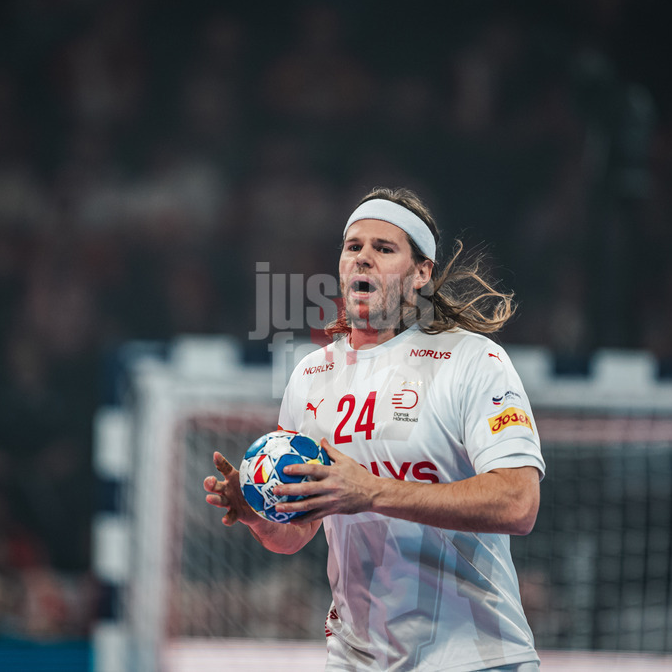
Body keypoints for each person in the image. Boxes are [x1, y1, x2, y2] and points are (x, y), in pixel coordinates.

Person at [204, 187, 545, 671]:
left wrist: (372, 491)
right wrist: (259, 513)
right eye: (353, 246)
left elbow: (519, 503)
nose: (363, 258)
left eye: (384, 249)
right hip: (356, 659)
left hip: (475, 656)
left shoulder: (473, 360)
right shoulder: (310, 376)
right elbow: (296, 535)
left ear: (420, 274)